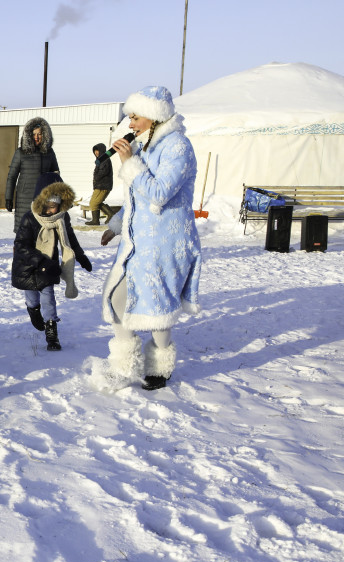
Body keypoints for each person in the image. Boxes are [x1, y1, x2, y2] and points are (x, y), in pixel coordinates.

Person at [99, 86, 202, 391]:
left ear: (155, 117)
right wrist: (117, 224)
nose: (129, 124)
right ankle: (123, 366)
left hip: (164, 245)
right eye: (129, 117)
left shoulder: (178, 147)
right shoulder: (146, 147)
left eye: (135, 117)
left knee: (157, 309)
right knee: (117, 302)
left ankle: (159, 367)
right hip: (136, 243)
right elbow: (137, 199)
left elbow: (158, 194)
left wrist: (129, 163)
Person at [11, 173, 92, 351]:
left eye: (54, 206)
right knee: (32, 300)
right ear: (40, 202)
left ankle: (52, 334)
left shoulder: (62, 219)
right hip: (28, 266)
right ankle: (33, 311)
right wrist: (40, 261)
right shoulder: (29, 218)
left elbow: (70, 238)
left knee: (49, 299)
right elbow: (21, 246)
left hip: (49, 266)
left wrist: (80, 256)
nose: (50, 210)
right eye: (47, 205)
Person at [5, 117, 59, 233]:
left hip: (44, 198)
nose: (37, 137)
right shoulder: (20, 152)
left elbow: (56, 176)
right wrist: (8, 197)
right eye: (34, 134)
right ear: (28, 135)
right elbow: (12, 176)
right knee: (24, 232)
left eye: (39, 134)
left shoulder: (49, 153)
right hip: (25, 199)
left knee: (42, 233)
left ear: (45, 135)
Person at [89, 143, 114, 225]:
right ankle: (109, 214)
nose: (96, 153)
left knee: (94, 203)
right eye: (95, 151)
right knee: (96, 202)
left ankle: (96, 220)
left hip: (103, 186)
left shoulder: (104, 159)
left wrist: (96, 177)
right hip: (100, 185)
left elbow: (103, 171)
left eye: (97, 151)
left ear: (101, 150)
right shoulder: (100, 160)